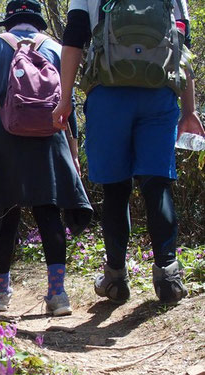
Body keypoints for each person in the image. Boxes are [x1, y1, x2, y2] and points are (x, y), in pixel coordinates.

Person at [53, 0, 205, 304]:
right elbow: (182, 47)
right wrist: (189, 109)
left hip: (108, 95)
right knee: (157, 182)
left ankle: (116, 277)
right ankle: (168, 274)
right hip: (159, 94)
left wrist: (65, 98)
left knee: (115, 188)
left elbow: (72, 43)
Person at [0, 0, 93, 316]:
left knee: (5, 214)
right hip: (50, 137)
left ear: (9, 21)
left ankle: (0, 293)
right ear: (38, 21)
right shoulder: (54, 47)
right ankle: (58, 295)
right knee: (48, 211)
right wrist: (73, 149)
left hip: (6, 140)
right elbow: (67, 102)